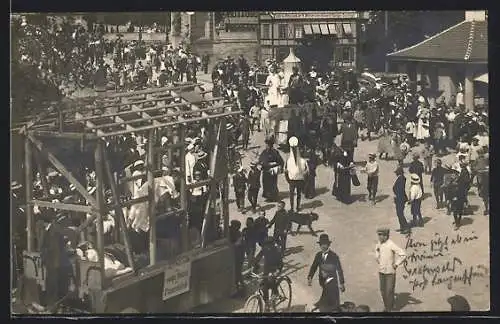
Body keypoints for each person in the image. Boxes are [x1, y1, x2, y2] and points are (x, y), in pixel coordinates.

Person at [307, 234, 345, 312]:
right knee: (326, 294)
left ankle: (328, 306)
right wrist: (310, 277)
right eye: (321, 245)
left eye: (325, 244)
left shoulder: (334, 256)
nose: (323, 246)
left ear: (328, 245)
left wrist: (341, 283)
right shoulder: (318, 255)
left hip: (332, 281)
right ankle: (324, 304)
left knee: (331, 300)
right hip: (322, 280)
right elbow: (314, 267)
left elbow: (339, 269)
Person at [375, 228, 407, 312]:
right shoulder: (378, 243)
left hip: (390, 272)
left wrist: (396, 264)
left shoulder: (391, 244)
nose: (379, 237)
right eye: (378, 235)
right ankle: (387, 307)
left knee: (389, 290)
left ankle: (389, 309)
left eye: (381, 235)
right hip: (381, 271)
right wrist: (378, 257)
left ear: (386, 236)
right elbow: (377, 251)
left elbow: (403, 254)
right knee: (383, 291)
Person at [252, 236, 284, 309]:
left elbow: (281, 264)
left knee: (271, 280)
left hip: (275, 269)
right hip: (267, 270)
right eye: (266, 245)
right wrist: (254, 266)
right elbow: (257, 258)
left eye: (269, 245)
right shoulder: (264, 249)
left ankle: (276, 293)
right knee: (263, 287)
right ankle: (267, 303)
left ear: (273, 244)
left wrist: (277, 271)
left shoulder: (277, 251)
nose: (267, 247)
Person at [284, 136, 309, 212]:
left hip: (293, 180)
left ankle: (293, 207)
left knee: (292, 194)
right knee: (298, 194)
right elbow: (307, 172)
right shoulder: (303, 161)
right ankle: (297, 206)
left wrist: (288, 180)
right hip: (299, 180)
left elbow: (285, 171)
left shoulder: (289, 161)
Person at [259, 136, 284, 202]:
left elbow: (281, 161)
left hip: (272, 171)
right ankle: (268, 196)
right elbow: (261, 159)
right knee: (266, 183)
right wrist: (261, 163)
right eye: (266, 144)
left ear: (271, 145)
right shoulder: (264, 152)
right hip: (265, 171)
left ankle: (273, 197)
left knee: (272, 184)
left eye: (268, 145)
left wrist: (275, 165)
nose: (267, 146)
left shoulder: (275, 152)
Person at [393, 167, 410, 234]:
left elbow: (399, 190)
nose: (396, 173)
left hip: (400, 198)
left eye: (396, 172)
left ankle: (405, 227)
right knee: (399, 213)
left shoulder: (401, 179)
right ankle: (402, 227)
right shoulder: (402, 178)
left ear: (399, 172)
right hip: (400, 198)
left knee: (400, 213)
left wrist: (396, 197)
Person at [229, 220, 245, 291]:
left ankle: (241, 289)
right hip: (235, 256)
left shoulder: (239, 235)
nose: (231, 227)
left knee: (237, 273)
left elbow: (236, 245)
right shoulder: (232, 232)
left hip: (238, 257)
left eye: (233, 226)